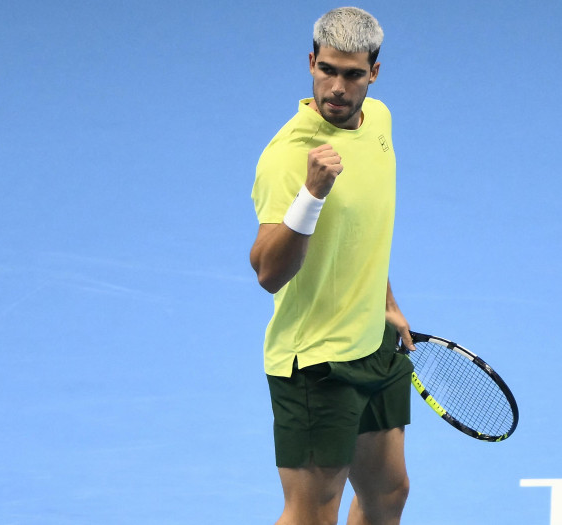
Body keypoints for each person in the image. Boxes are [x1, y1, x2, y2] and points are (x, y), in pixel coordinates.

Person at [249, 7, 414, 525]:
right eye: (327, 70)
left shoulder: (380, 121)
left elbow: (362, 231)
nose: (337, 87)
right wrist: (311, 195)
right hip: (316, 363)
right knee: (312, 515)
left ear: (374, 74)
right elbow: (268, 273)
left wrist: (386, 304)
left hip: (373, 346)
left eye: (352, 74)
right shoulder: (288, 157)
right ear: (311, 63)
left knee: (388, 495)